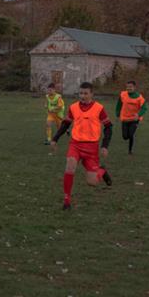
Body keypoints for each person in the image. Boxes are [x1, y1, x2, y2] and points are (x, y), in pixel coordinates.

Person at [51, 82, 113, 210]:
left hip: (92, 148)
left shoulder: (99, 108)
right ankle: (67, 200)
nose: (83, 96)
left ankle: (102, 171)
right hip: (76, 144)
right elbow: (65, 124)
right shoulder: (73, 107)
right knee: (70, 167)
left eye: (85, 93)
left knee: (92, 182)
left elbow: (108, 127)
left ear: (92, 94)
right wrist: (55, 138)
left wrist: (105, 146)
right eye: (81, 93)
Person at [115, 80, 147, 155]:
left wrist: (138, 115)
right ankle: (130, 136)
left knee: (131, 134)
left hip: (134, 119)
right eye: (127, 87)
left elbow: (144, 108)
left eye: (130, 87)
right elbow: (119, 104)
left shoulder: (139, 97)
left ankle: (130, 150)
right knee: (125, 137)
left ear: (134, 87)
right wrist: (117, 112)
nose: (128, 88)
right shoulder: (123, 94)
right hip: (125, 118)